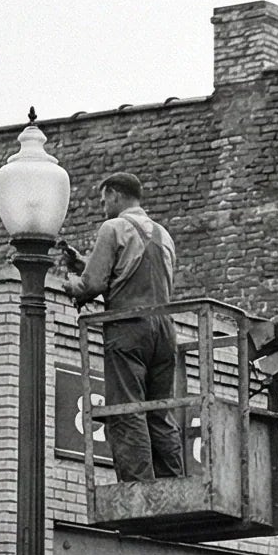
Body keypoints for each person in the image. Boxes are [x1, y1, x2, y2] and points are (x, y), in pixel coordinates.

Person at [61, 172, 183, 481]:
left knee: (127, 410)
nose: (102, 206)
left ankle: (138, 488)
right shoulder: (163, 234)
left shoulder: (112, 228)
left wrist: (72, 283)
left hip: (127, 326)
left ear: (116, 195)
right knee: (159, 412)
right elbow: (133, 268)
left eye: (104, 199)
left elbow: (94, 283)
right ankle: (171, 483)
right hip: (164, 331)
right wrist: (85, 261)